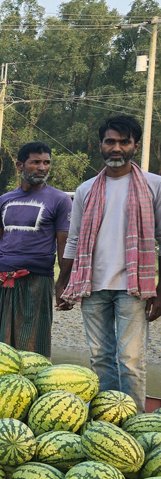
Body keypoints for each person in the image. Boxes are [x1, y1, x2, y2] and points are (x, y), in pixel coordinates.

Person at [58, 115, 161, 412]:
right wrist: (63, 281)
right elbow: (74, 240)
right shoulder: (86, 189)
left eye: (123, 142)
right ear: (101, 145)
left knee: (130, 361)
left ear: (135, 145)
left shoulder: (154, 186)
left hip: (133, 287)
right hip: (92, 285)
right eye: (110, 141)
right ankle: (108, 420)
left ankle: (133, 421)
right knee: (100, 357)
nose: (116, 148)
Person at [0, 142, 71, 356]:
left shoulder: (60, 200)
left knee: (33, 344)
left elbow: (64, 245)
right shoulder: (5, 200)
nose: (43, 168)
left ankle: (31, 385)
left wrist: (63, 284)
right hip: (4, 280)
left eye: (46, 163)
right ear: (19, 166)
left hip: (38, 281)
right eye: (36, 162)